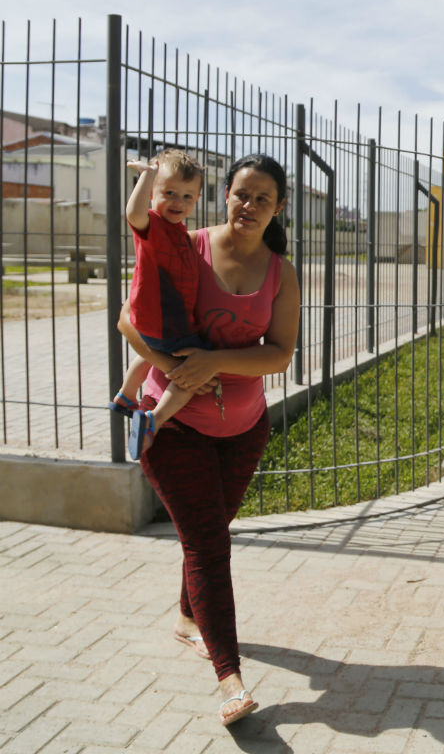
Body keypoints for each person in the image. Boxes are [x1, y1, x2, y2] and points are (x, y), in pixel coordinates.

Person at [118, 153, 300, 726]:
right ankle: (230, 677)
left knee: (207, 529)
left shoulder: (280, 272)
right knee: (208, 545)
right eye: (241, 194)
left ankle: (186, 617)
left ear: (278, 208)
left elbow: (280, 352)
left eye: (262, 199)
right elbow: (130, 322)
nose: (249, 206)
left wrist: (214, 363)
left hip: (244, 429)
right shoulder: (183, 244)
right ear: (224, 195)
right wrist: (180, 371)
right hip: (172, 425)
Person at [108, 150, 210, 460]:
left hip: (155, 321)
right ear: (152, 193)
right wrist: (146, 175)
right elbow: (133, 214)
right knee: (190, 375)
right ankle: (155, 418)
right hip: (165, 322)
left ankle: (125, 397)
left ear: (197, 200)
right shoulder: (151, 224)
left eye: (188, 196)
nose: (178, 202)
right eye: (169, 193)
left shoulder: (178, 231)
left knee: (152, 356)